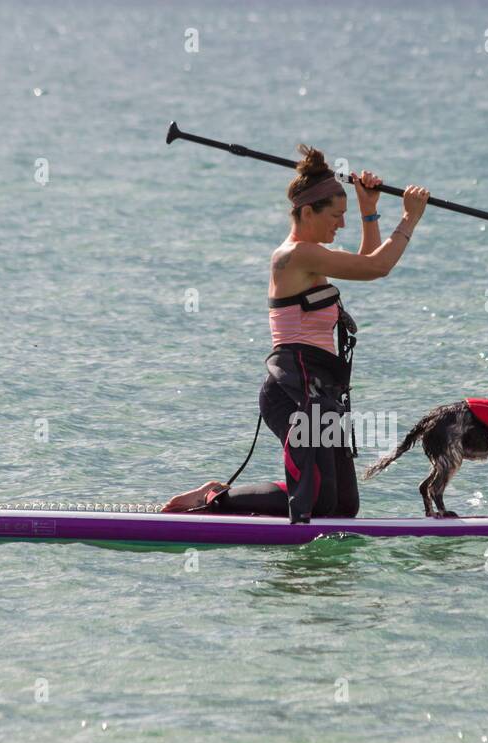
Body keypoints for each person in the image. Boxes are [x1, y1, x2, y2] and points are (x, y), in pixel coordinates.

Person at [163, 145, 429, 522]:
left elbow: (366, 262)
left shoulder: (313, 257)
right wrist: (409, 219)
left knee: (343, 507)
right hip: (292, 391)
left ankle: (237, 498)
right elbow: (377, 267)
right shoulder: (292, 256)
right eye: (336, 216)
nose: (340, 225)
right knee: (316, 502)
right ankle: (216, 497)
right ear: (308, 212)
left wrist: (369, 209)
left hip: (322, 390)